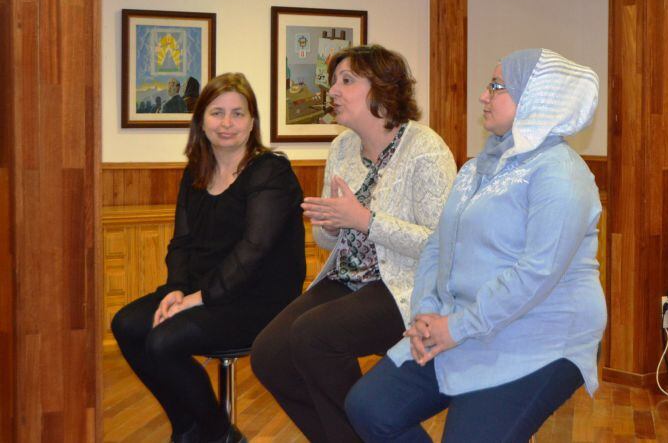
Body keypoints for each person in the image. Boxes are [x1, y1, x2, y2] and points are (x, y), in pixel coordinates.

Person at [345, 49, 607, 442]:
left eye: (497, 86)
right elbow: (438, 244)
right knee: (370, 407)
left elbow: (537, 274)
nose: (484, 96)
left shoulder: (562, 174)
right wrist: (425, 314)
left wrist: (457, 327)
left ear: (535, 98)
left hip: (539, 338)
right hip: (457, 324)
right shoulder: (475, 167)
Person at [250, 45, 456, 443]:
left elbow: (440, 245)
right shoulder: (341, 147)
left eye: (347, 81)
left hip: (405, 287)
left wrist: (364, 220)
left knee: (313, 336)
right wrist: (329, 222)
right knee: (269, 354)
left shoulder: (425, 149)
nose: (334, 92)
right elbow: (329, 242)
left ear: (382, 89)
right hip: (347, 280)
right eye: (334, 82)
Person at [111, 72, 305, 443]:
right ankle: (188, 429)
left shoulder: (270, 171)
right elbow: (181, 242)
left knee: (164, 341)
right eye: (217, 113)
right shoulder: (195, 171)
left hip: (259, 300)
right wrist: (174, 290)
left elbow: (253, 252)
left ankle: (219, 435)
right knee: (127, 324)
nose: (227, 123)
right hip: (202, 291)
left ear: (252, 122)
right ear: (201, 120)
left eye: (238, 113)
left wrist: (194, 300)